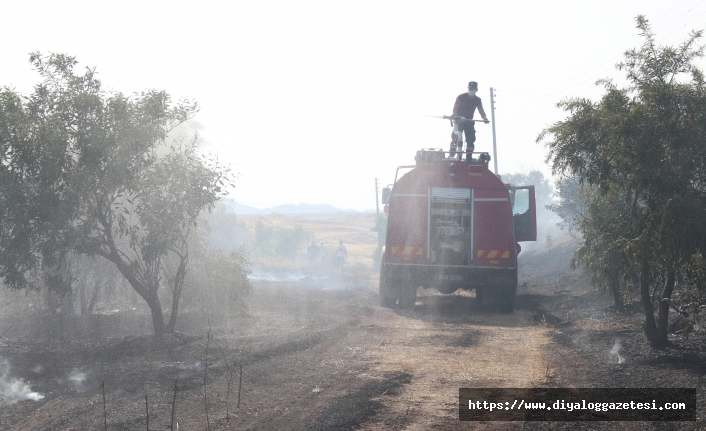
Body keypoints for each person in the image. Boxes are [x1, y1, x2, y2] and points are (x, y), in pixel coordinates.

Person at [450, 81, 490, 158]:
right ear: (468, 88)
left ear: (476, 90)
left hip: (469, 121)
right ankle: (452, 155)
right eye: (470, 88)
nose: (471, 90)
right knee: (456, 137)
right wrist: (455, 116)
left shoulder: (477, 100)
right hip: (459, 121)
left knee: (471, 139)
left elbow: (481, 110)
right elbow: (455, 108)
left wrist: (484, 118)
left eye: (473, 89)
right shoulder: (461, 97)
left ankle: (469, 156)